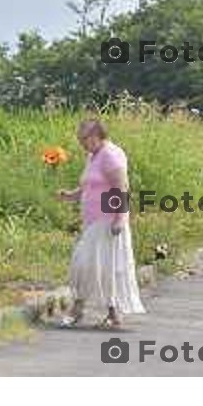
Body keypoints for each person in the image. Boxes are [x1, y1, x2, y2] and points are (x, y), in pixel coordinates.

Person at [57, 119, 145, 327]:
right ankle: (113, 316)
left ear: (97, 135)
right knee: (101, 268)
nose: (81, 143)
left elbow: (121, 188)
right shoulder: (93, 156)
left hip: (108, 220)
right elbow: (89, 185)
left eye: (84, 139)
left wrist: (121, 219)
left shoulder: (111, 156)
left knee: (85, 265)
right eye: (80, 139)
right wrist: (70, 195)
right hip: (93, 221)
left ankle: (78, 310)